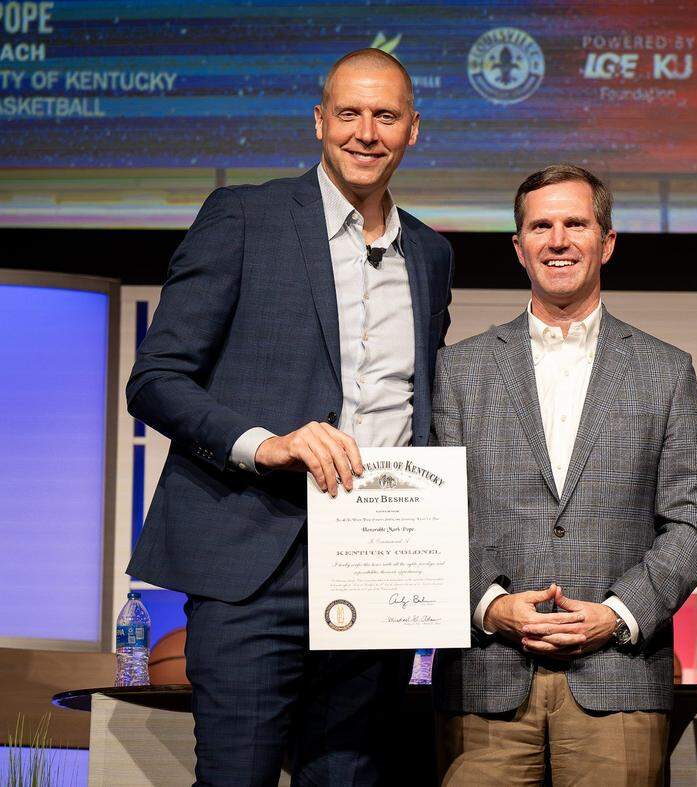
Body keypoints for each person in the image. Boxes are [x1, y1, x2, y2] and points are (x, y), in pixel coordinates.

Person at [125, 48, 453, 785]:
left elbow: (419, 406)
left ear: (413, 131)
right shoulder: (245, 215)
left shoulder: (430, 253)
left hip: (377, 571)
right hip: (253, 565)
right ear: (318, 122)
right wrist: (262, 444)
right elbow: (155, 380)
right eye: (348, 113)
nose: (366, 132)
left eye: (386, 115)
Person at [430, 164, 697, 784]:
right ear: (519, 246)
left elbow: (693, 526)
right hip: (486, 679)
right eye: (541, 226)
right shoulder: (457, 371)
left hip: (618, 679)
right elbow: (432, 524)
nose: (558, 240)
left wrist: (617, 613)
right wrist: (491, 605)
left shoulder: (664, 370)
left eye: (576, 224)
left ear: (606, 242)